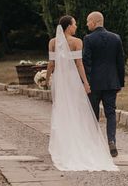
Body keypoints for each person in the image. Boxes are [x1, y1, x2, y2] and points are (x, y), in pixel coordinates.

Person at [46, 15, 118, 172]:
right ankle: (81, 142)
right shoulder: (77, 41)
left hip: (59, 80)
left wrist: (46, 79)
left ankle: (63, 144)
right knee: (77, 111)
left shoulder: (52, 42)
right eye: (75, 24)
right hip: (72, 81)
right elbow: (79, 64)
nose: (76, 26)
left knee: (61, 109)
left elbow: (51, 64)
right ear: (68, 26)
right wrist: (85, 83)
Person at [83, 11, 125, 158]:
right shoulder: (116, 38)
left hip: (94, 84)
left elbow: (86, 63)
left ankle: (94, 144)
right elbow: (120, 63)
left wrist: (86, 82)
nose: (87, 24)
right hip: (111, 82)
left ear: (94, 22)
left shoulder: (88, 39)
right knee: (111, 113)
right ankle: (111, 141)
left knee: (92, 113)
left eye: (88, 21)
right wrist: (120, 82)